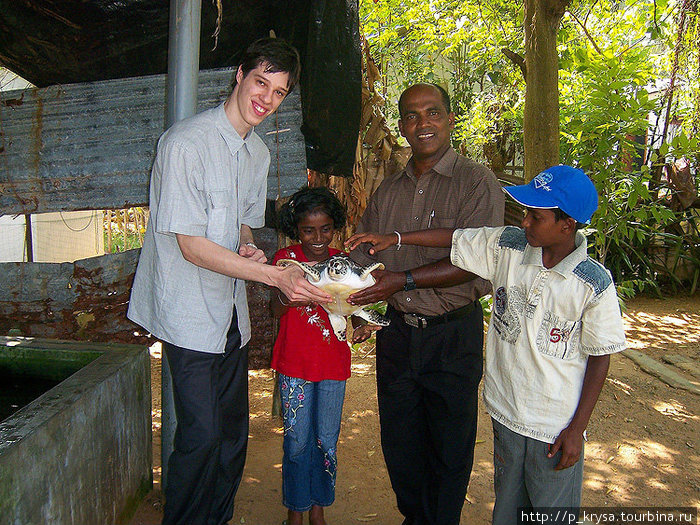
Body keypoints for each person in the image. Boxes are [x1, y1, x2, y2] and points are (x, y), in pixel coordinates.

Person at [346, 164, 627, 525]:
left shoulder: (591, 283)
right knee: (508, 508)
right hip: (506, 412)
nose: (524, 222)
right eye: (525, 213)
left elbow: (600, 358)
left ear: (566, 225)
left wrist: (576, 429)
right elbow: (457, 237)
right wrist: (397, 239)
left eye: (535, 216)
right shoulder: (509, 246)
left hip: (554, 426)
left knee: (550, 510)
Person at [127, 38, 331, 525]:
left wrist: (248, 246)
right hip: (188, 315)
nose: (266, 98)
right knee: (199, 437)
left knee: (234, 435)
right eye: (261, 82)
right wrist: (272, 274)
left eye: (279, 92)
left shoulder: (256, 153)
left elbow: (239, 223)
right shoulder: (184, 144)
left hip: (230, 316)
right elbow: (191, 246)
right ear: (240, 75)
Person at [347, 82, 505, 525]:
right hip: (396, 335)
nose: (423, 124)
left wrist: (402, 279)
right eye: (412, 116)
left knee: (450, 445)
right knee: (400, 442)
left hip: (452, 334)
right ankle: (415, 518)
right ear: (400, 127)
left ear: (450, 119)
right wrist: (347, 300)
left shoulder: (476, 182)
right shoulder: (387, 191)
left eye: (432, 113)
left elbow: (478, 260)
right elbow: (364, 256)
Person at [270, 186, 376, 525]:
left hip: (333, 366)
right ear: (295, 230)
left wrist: (360, 323)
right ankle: (295, 510)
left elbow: (355, 306)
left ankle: (319, 509)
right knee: (297, 441)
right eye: (308, 230)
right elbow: (275, 309)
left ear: (336, 227)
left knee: (326, 441)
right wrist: (293, 293)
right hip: (294, 366)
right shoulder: (286, 261)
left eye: (325, 229)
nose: (317, 237)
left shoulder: (342, 263)